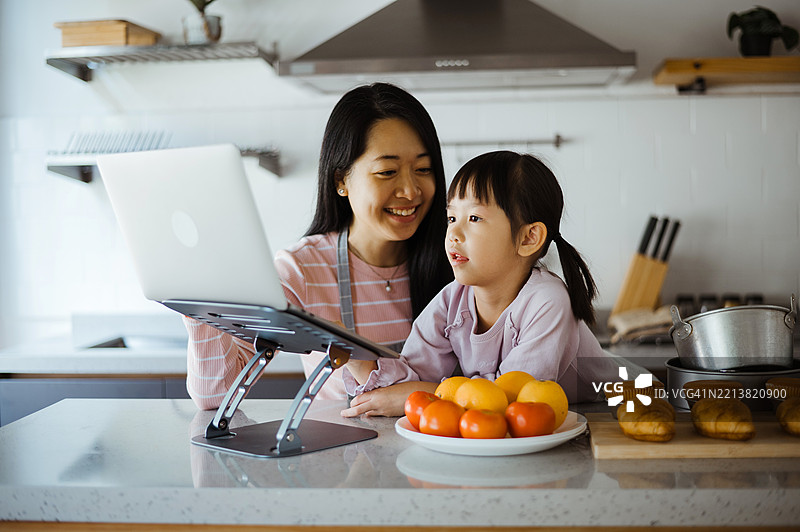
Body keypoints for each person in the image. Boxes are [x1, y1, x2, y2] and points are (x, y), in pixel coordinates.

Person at [185, 83, 453, 409]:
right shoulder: (302, 271)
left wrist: (420, 398)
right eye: (387, 172)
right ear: (341, 180)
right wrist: (199, 307)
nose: (410, 191)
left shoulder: (459, 261)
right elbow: (216, 396)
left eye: (423, 169)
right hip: (342, 458)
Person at [342, 150, 630, 417]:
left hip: (623, 400)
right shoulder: (451, 300)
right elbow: (416, 374)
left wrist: (422, 395)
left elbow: (515, 399)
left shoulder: (548, 300)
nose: (453, 232)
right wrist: (359, 362)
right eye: (452, 216)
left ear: (529, 238)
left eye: (475, 218)